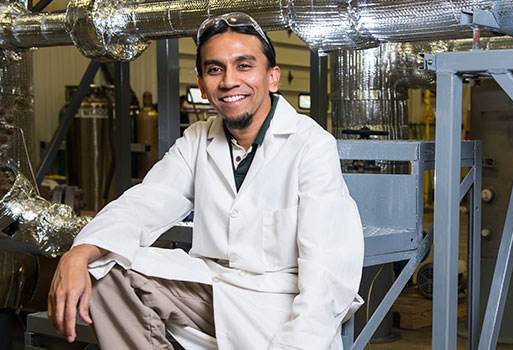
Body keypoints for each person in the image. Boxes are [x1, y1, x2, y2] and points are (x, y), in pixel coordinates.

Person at [48, 12, 364, 350]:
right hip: (214, 289)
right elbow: (146, 202)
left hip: (280, 302)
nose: (229, 81)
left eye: (244, 66)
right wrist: (79, 253)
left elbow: (327, 271)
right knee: (103, 269)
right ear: (202, 85)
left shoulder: (310, 144)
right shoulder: (198, 139)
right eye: (215, 69)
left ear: (272, 78)